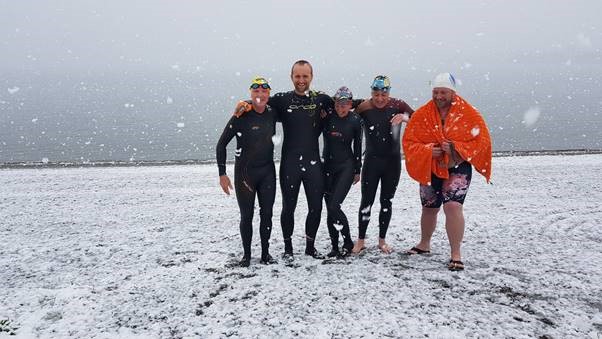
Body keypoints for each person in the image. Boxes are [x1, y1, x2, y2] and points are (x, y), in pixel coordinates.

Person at [234, 60, 337, 262]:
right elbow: (259, 101)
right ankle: (288, 248)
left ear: (311, 77)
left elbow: (347, 104)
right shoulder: (281, 100)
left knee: (316, 207)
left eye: (305, 76)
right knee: (288, 207)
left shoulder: (322, 99)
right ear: (291, 77)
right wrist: (244, 103)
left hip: (313, 163)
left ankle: (310, 246)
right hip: (290, 163)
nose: (301, 80)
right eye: (297, 76)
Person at [402, 72, 492, 271]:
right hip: (431, 165)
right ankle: (424, 244)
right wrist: (427, 150)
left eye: (443, 92)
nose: (439, 96)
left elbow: (482, 140)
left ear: (452, 92)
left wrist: (455, 147)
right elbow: (409, 142)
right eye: (435, 92)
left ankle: (455, 253)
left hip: (457, 166)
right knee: (429, 207)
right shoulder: (423, 114)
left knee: (452, 207)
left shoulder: (469, 113)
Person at [216, 77, 278, 267]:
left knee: (267, 214)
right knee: (247, 215)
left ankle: (266, 254)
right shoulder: (241, 115)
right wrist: (222, 174)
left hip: (267, 171)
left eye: (264, 91)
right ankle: (247, 255)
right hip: (245, 173)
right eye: (256, 92)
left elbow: (295, 109)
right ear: (251, 94)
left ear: (269, 94)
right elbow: (221, 145)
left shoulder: (273, 111)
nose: (260, 95)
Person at [352, 75, 413, 254]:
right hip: (371, 161)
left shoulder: (398, 105)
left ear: (389, 93)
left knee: (386, 202)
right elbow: (344, 115)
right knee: (366, 201)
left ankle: (382, 241)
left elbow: (418, 118)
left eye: (383, 95)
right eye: (376, 94)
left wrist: (404, 116)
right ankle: (361, 240)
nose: (379, 98)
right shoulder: (363, 106)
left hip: (392, 162)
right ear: (371, 92)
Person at [322, 86, 363, 258]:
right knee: (329, 209)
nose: (341, 108)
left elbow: (358, 146)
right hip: (327, 167)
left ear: (350, 104)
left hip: (346, 166)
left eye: (345, 104)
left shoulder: (355, 120)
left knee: (334, 205)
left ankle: (347, 241)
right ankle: (334, 246)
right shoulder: (327, 117)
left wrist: (357, 170)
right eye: (338, 104)